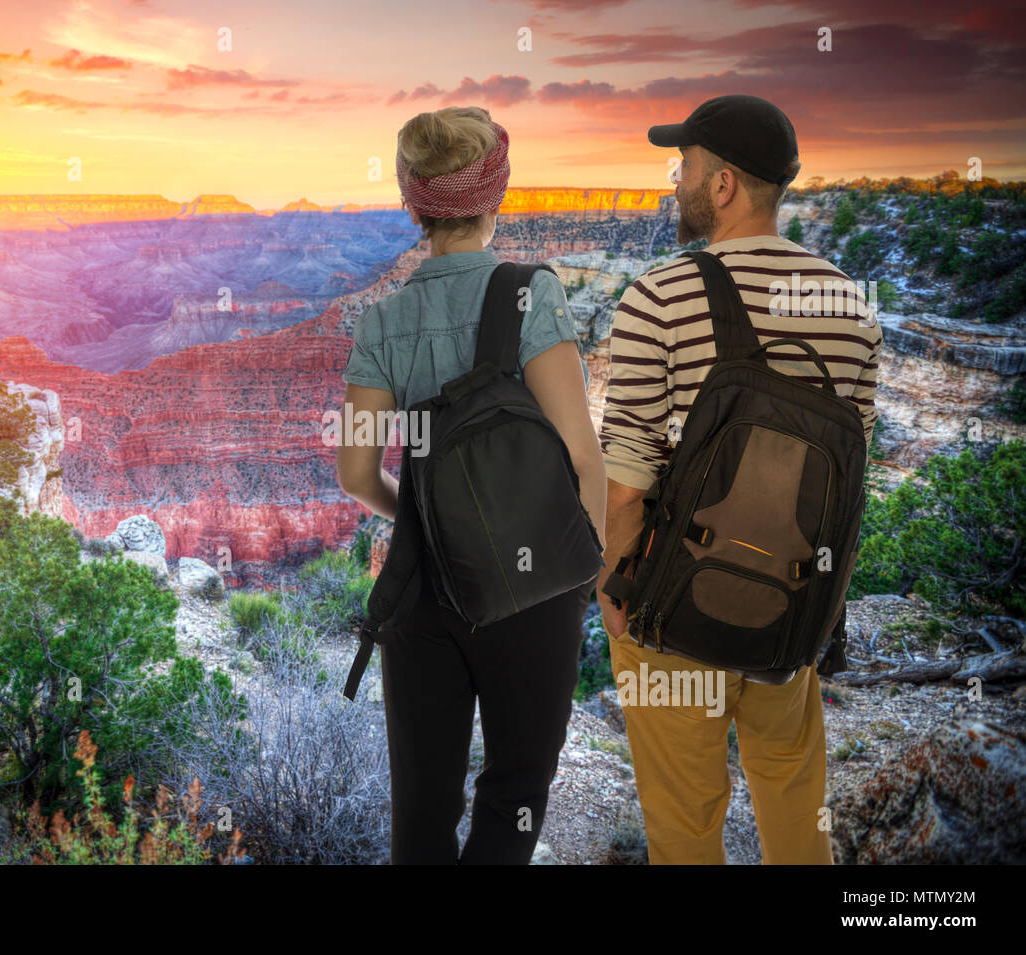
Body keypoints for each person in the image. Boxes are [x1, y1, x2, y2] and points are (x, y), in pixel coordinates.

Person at [597, 94, 883, 864]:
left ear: (722, 184)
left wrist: (612, 597)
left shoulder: (658, 296)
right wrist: (822, 615)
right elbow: (848, 494)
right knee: (793, 803)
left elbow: (626, 483)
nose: (675, 182)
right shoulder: (853, 310)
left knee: (686, 825)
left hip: (676, 610)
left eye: (683, 165)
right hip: (790, 608)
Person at [336, 105, 608, 864]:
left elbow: (356, 472)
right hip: (535, 587)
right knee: (516, 788)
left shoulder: (381, 321)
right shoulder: (532, 295)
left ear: (410, 201)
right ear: (498, 194)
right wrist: (582, 576)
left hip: (424, 590)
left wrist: (419, 517)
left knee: (421, 809)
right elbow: (585, 458)